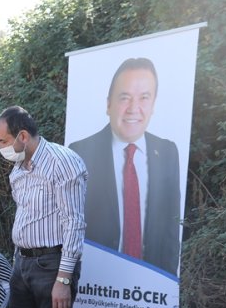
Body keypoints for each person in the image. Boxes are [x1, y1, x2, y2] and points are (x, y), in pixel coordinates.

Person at [0, 106, 87, 308]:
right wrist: (16, 262)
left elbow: (74, 222)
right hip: (22, 264)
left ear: (22, 136)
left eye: (3, 141)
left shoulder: (63, 163)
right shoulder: (18, 170)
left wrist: (64, 278)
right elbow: (26, 216)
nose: (1, 148)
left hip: (53, 266)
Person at [69, 57, 181, 275]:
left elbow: (171, 230)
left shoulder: (168, 152)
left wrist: (165, 282)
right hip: (96, 286)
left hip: (150, 287)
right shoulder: (79, 152)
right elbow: (70, 225)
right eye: (125, 98)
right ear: (108, 103)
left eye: (144, 98)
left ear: (154, 104)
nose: (134, 109)